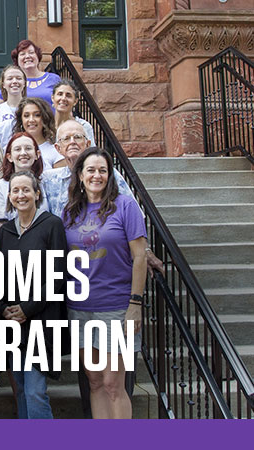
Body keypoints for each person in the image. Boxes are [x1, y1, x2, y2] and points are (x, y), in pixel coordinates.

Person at [62, 147, 147, 419]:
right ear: (80, 175)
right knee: (95, 381)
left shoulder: (125, 206)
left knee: (113, 383)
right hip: (79, 306)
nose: (96, 175)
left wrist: (136, 303)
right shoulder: (71, 211)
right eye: (91, 170)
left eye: (103, 170)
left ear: (110, 175)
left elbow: (140, 257)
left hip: (116, 306)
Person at [0, 171, 67, 419]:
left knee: (36, 391)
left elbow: (58, 276)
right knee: (22, 389)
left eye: (26, 189)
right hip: (12, 323)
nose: (20, 195)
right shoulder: (5, 231)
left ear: (37, 194)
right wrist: (3, 307)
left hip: (41, 319)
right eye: (15, 190)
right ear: (9, 196)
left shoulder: (51, 225)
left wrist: (28, 309)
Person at [0, 132, 46, 223]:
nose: (23, 153)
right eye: (17, 149)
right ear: (9, 157)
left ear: (37, 154)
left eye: (28, 148)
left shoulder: (46, 182)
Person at [0, 39, 60, 107]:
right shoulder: (11, 82)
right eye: (22, 54)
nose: (27, 56)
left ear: (38, 56)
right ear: (17, 60)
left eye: (31, 52)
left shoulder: (54, 79)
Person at [14, 97, 65, 170]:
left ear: (44, 118)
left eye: (37, 115)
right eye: (26, 116)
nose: (31, 120)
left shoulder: (56, 152)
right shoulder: (13, 149)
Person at [0, 65, 26, 152]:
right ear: (3, 85)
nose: (14, 81)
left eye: (18, 78)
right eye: (10, 78)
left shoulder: (32, 108)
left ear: (24, 83)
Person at [52, 79, 95, 146]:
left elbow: (91, 153)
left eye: (68, 95)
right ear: (53, 98)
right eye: (60, 94)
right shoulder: (45, 125)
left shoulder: (84, 126)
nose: (63, 98)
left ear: (75, 101)